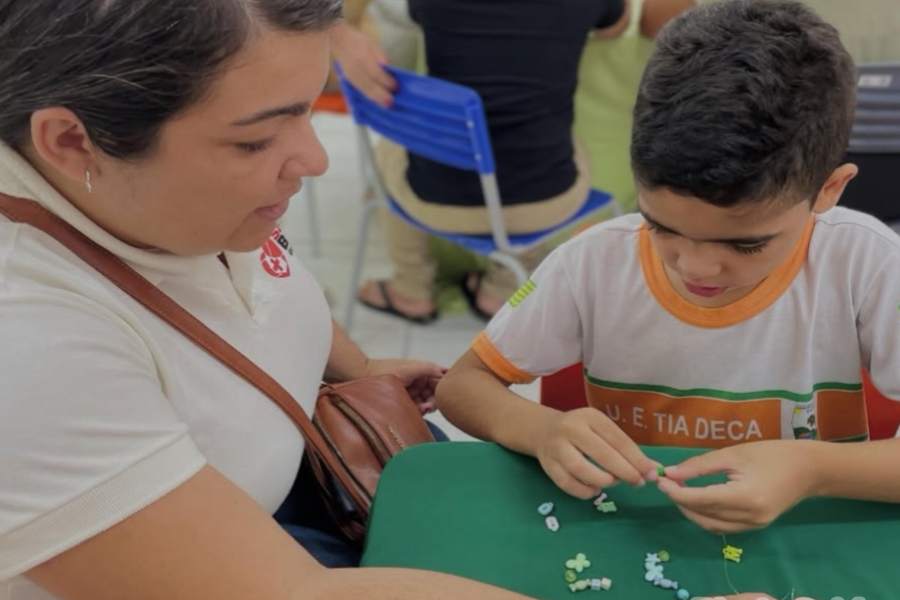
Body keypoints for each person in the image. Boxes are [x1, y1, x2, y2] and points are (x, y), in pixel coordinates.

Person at [0, 2, 538, 599]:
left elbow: (267, 280)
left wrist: (354, 370)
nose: (316, 159)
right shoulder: (29, 345)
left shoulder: (168, 201)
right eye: (255, 141)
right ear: (74, 142)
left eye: (309, 108)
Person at [438, 0, 899, 558]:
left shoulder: (869, 264)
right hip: (618, 537)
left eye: (746, 243)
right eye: (662, 227)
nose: (696, 267)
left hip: (807, 539)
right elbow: (462, 385)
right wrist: (539, 430)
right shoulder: (593, 261)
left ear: (829, 189)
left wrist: (813, 469)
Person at [355, 0, 631, 324]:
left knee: (393, 148)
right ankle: (500, 289)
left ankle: (411, 288)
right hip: (549, 203)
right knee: (557, 145)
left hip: (437, 203)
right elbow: (617, 26)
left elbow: (411, 17)